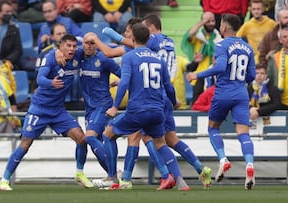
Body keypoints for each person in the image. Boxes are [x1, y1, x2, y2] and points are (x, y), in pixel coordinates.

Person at [103, 14, 213, 190]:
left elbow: (117, 50)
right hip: (163, 99)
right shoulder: (167, 44)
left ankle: (123, 178)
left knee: (130, 136)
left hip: (148, 99)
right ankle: (193, 172)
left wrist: (107, 32)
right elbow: (164, 82)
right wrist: (174, 100)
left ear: (150, 30)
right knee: (167, 140)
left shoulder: (145, 46)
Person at [0, 34, 93, 191]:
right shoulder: (50, 58)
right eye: (68, 46)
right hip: (40, 109)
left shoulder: (78, 55)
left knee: (81, 139)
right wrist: (51, 82)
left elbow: (91, 48)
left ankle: (79, 173)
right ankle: (4, 180)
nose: (72, 49)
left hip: (58, 110)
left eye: (74, 46)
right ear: (60, 46)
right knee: (25, 144)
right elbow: (40, 79)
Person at [186, 13, 256, 190]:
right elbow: (252, 76)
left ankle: (223, 159)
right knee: (243, 133)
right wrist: (240, 81)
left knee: (213, 128)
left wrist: (197, 74)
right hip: (241, 94)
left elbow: (220, 67)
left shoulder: (221, 45)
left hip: (223, 92)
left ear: (224, 28)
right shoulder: (248, 48)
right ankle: (249, 165)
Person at [79, 32, 122, 175]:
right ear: (82, 43)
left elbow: (124, 75)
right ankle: (115, 176)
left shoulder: (104, 59)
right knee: (94, 143)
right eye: (86, 42)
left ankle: (114, 174)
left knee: (90, 137)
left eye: (93, 43)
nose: (89, 46)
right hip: (89, 107)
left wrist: (121, 81)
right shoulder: (79, 57)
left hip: (103, 104)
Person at [181, 11, 222, 104]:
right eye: (208, 21)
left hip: (213, 74)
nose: (211, 23)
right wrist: (203, 22)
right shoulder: (198, 36)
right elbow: (190, 33)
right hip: (198, 75)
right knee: (197, 103)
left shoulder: (218, 37)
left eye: (213, 21)